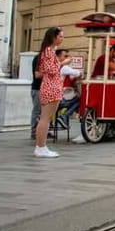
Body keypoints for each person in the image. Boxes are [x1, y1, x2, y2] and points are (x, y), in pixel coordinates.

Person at [34, 27, 69, 158]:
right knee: (46, 118)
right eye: (60, 36)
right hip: (51, 86)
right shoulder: (49, 51)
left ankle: (41, 146)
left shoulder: (48, 50)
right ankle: (41, 147)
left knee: (46, 118)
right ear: (53, 37)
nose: (62, 39)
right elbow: (51, 70)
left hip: (51, 85)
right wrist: (63, 62)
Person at [56, 49, 82, 128]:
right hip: (60, 100)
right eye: (65, 56)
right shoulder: (64, 67)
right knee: (80, 99)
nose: (68, 58)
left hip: (52, 98)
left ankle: (64, 116)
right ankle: (65, 115)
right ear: (58, 57)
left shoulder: (54, 66)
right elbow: (78, 73)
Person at [31, 52, 43, 140]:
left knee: (43, 112)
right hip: (38, 88)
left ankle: (41, 130)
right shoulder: (39, 58)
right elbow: (37, 75)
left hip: (44, 88)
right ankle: (34, 131)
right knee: (37, 110)